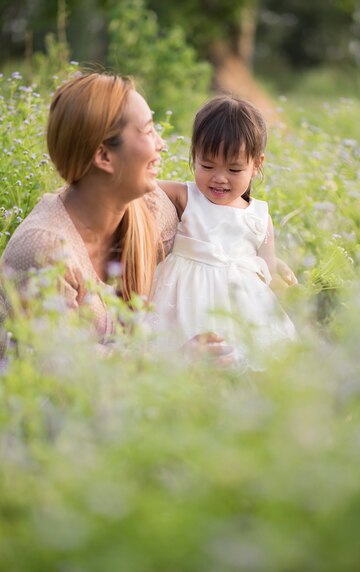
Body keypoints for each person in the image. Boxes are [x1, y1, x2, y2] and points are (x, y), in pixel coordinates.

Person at [0, 72, 232, 363]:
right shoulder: (43, 251)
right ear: (104, 157)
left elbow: (201, 212)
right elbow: (63, 368)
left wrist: (259, 251)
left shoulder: (147, 210)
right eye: (148, 131)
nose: (161, 143)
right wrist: (174, 365)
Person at [151, 95, 297, 362]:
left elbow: (266, 272)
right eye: (207, 165)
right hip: (183, 298)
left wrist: (278, 267)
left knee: (238, 363)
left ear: (257, 165)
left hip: (238, 305)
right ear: (194, 156)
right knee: (175, 358)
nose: (219, 178)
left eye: (234, 169)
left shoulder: (259, 216)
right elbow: (140, 185)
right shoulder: (186, 196)